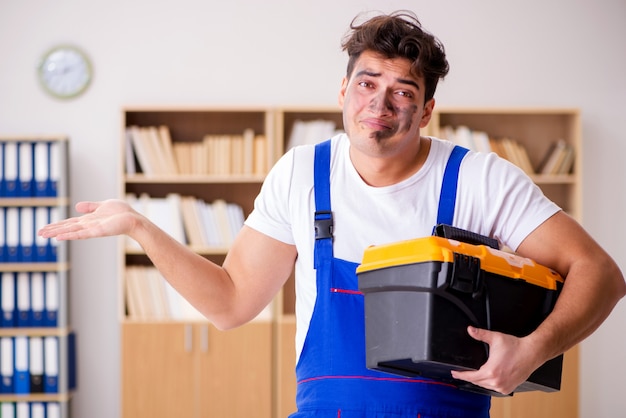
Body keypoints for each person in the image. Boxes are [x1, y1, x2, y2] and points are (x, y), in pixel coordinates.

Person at [39, 10, 625, 418]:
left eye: (403, 91)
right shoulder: (300, 174)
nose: (380, 103)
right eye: (367, 83)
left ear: (425, 113)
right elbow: (230, 304)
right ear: (342, 90)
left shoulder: (478, 178)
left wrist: (536, 348)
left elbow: (601, 273)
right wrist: (140, 226)